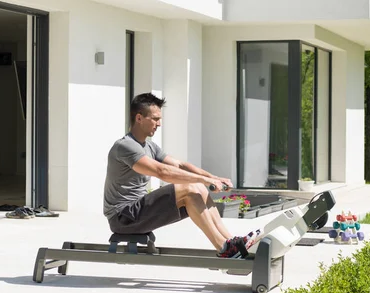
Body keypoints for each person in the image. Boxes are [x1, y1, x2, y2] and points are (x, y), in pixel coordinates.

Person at [103, 93, 260, 258]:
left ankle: (230, 242)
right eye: (155, 119)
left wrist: (213, 177)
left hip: (137, 212)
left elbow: (179, 165)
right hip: (123, 217)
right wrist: (205, 180)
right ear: (139, 118)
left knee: (197, 189)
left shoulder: (149, 146)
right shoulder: (125, 146)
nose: (159, 124)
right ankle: (223, 248)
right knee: (190, 186)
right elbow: (161, 171)